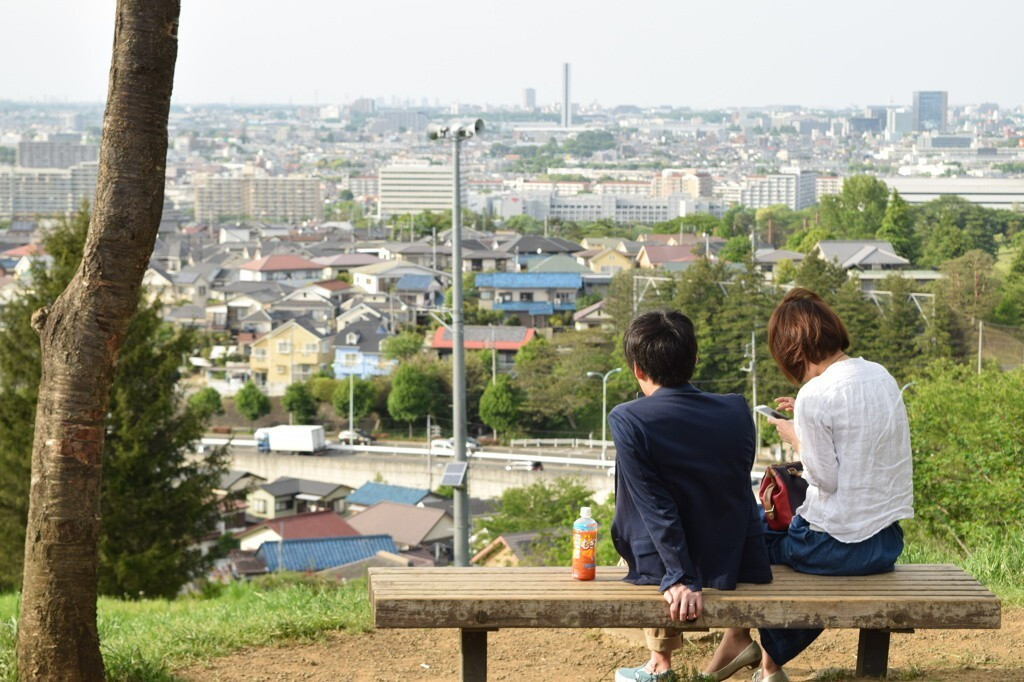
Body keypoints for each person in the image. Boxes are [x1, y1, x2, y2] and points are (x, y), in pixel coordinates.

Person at [707, 288, 914, 682]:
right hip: (886, 544)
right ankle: (760, 659)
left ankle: (754, 651)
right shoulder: (882, 376)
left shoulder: (816, 396)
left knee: (747, 533)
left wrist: (796, 436)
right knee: (763, 532)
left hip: (834, 550)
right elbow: (857, 440)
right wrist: (805, 413)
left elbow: (825, 479)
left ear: (792, 349)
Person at [611, 310, 772, 682]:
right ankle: (666, 662)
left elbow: (655, 505)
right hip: (734, 558)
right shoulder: (735, 407)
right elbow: (734, 486)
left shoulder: (628, 418)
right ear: (694, 359)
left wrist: (680, 575)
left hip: (675, 563)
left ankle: (659, 664)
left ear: (637, 369)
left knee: (645, 536)